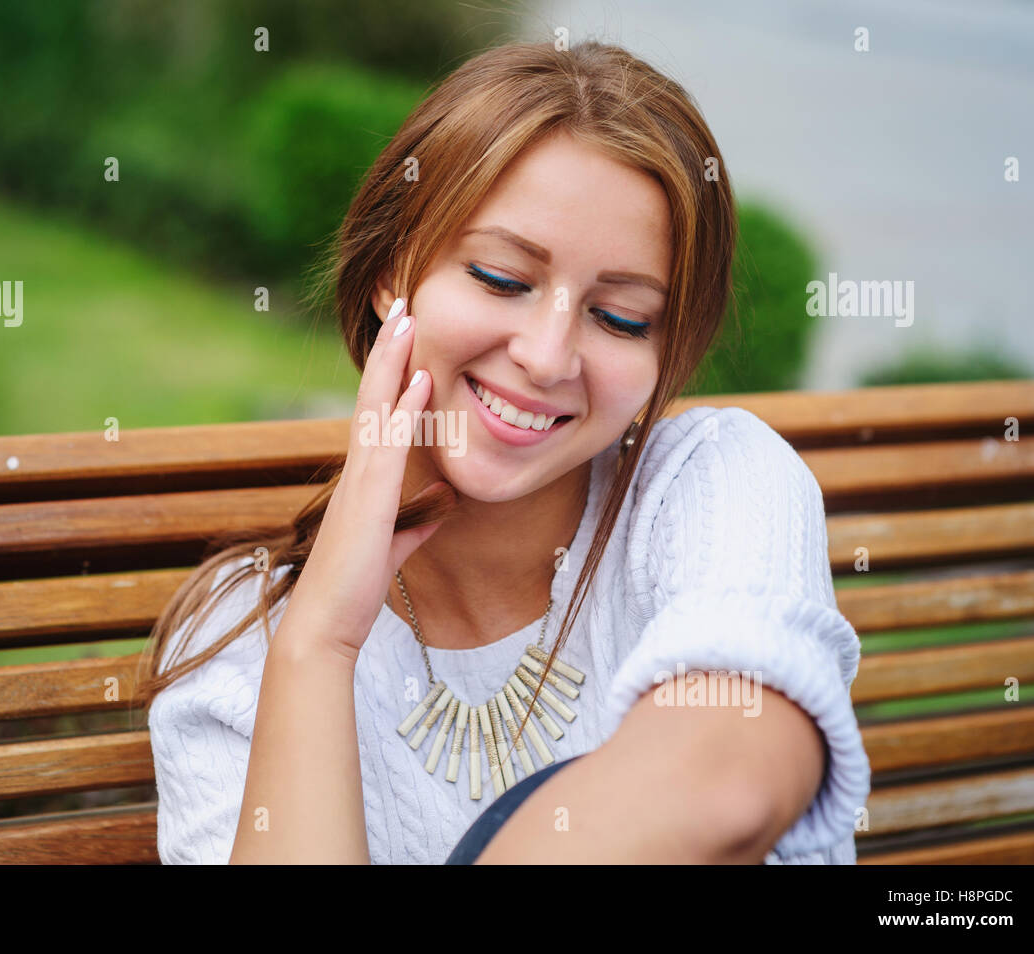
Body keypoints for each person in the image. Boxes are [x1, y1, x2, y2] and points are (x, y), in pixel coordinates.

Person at [139, 38, 871, 864]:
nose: (548, 356)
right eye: (499, 277)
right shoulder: (241, 640)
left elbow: (729, 783)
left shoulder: (712, 488)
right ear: (391, 275)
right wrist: (318, 646)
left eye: (622, 317)